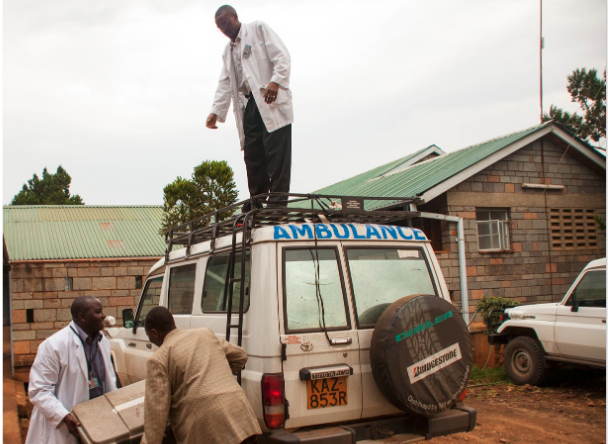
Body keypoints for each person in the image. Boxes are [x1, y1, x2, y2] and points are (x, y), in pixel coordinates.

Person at [206, 5, 293, 211]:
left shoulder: (258, 29)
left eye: (226, 23)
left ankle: (278, 202)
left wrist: (276, 82)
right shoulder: (228, 51)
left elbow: (282, 56)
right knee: (253, 154)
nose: (224, 29)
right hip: (250, 104)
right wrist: (215, 112)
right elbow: (226, 82)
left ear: (236, 17)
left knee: (276, 152)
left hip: (270, 96)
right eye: (220, 27)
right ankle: (258, 199)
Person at [141, 306, 261, 444]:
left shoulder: (158, 359)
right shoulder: (204, 334)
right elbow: (240, 356)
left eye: (149, 336)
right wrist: (217, 372)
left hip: (206, 430)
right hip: (240, 418)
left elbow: (156, 418)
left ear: (154, 333)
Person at [26, 296, 117, 444]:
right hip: (66, 426)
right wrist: (63, 416)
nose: (104, 316)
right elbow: (39, 390)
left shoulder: (103, 342)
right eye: (98, 312)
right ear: (82, 317)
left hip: (97, 422)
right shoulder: (54, 346)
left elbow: (109, 381)